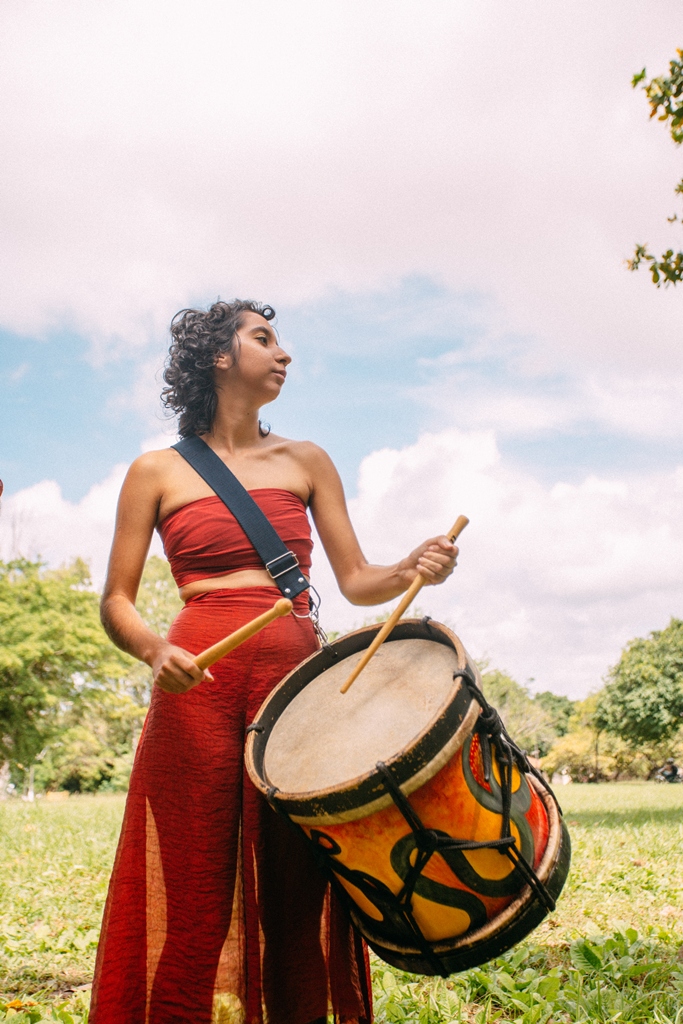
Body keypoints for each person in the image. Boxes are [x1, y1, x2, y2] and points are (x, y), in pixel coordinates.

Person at [90, 299, 459, 1024]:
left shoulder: (306, 460)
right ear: (219, 356)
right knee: (193, 893)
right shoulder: (154, 471)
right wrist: (156, 649)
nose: (283, 353)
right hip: (196, 690)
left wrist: (412, 566)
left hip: (295, 692)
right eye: (263, 338)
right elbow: (116, 601)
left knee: (298, 893)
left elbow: (356, 580)